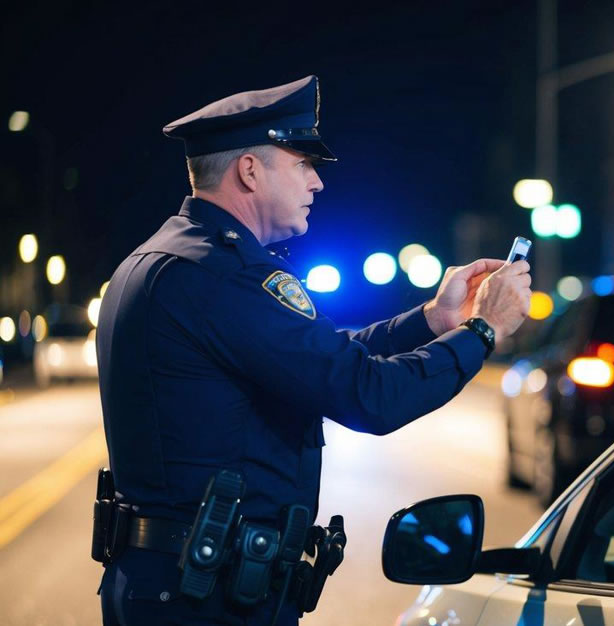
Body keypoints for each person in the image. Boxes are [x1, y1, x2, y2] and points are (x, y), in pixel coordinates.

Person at [94, 75, 531, 625]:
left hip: (172, 584)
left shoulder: (167, 261)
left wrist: (432, 320)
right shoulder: (222, 277)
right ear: (249, 171)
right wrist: (482, 331)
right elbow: (367, 395)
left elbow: (314, 355)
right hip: (206, 598)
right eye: (301, 162)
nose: (316, 182)